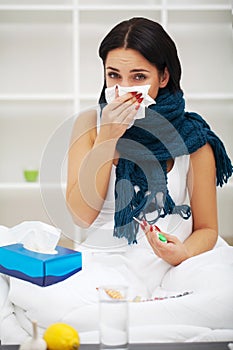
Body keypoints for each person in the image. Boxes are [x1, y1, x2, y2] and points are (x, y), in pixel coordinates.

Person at [66, 17, 232, 268]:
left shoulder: (192, 137)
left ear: (163, 77)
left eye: (138, 77)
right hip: (105, 264)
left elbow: (207, 229)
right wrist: (108, 137)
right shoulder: (90, 125)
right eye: (113, 75)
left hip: (171, 265)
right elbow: (81, 216)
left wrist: (183, 253)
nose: (123, 89)